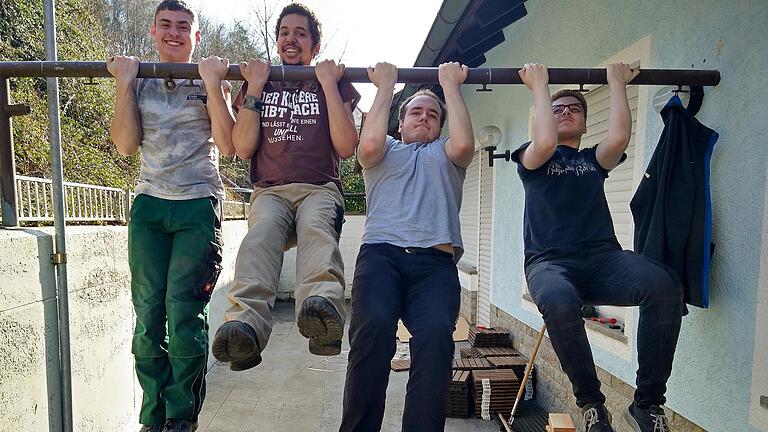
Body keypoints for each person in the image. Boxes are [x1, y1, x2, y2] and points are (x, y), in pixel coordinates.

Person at [511, 63, 683, 432]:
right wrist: (540, 85)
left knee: (663, 285)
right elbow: (543, 141)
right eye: (557, 109)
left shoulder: (592, 161)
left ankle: (647, 405)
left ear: (587, 124)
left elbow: (619, 138)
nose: (566, 111)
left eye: (575, 108)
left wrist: (617, 82)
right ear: (544, 118)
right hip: (549, 264)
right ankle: (592, 405)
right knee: (557, 300)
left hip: (603, 260)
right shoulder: (532, 159)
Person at [107, 1, 235, 430]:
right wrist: (124, 84)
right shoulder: (139, 79)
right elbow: (126, 145)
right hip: (149, 205)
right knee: (147, 316)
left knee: (183, 313)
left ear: (195, 37)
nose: (175, 33)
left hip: (197, 204)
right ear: (153, 32)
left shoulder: (208, 77)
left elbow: (228, 143)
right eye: (166, 26)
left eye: (184, 27)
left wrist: (214, 85)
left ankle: (181, 416)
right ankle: (152, 415)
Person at [211, 2, 360, 371]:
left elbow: (345, 146)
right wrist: (256, 86)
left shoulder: (331, 80)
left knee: (315, 229)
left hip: (319, 188)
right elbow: (242, 146)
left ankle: (323, 313)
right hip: (270, 191)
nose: (290, 39)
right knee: (259, 236)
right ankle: (245, 326)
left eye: (300, 33)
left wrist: (326, 82)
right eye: (284, 33)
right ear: (277, 41)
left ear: (315, 45)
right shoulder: (260, 79)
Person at [339, 61, 474, 432]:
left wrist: (450, 86)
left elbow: (464, 143)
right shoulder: (384, 151)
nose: (424, 118)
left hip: (435, 266)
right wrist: (385, 87)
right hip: (382, 258)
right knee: (374, 331)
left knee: (435, 342)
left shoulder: (447, 154)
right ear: (400, 122)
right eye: (416, 112)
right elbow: (366, 144)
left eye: (433, 115)